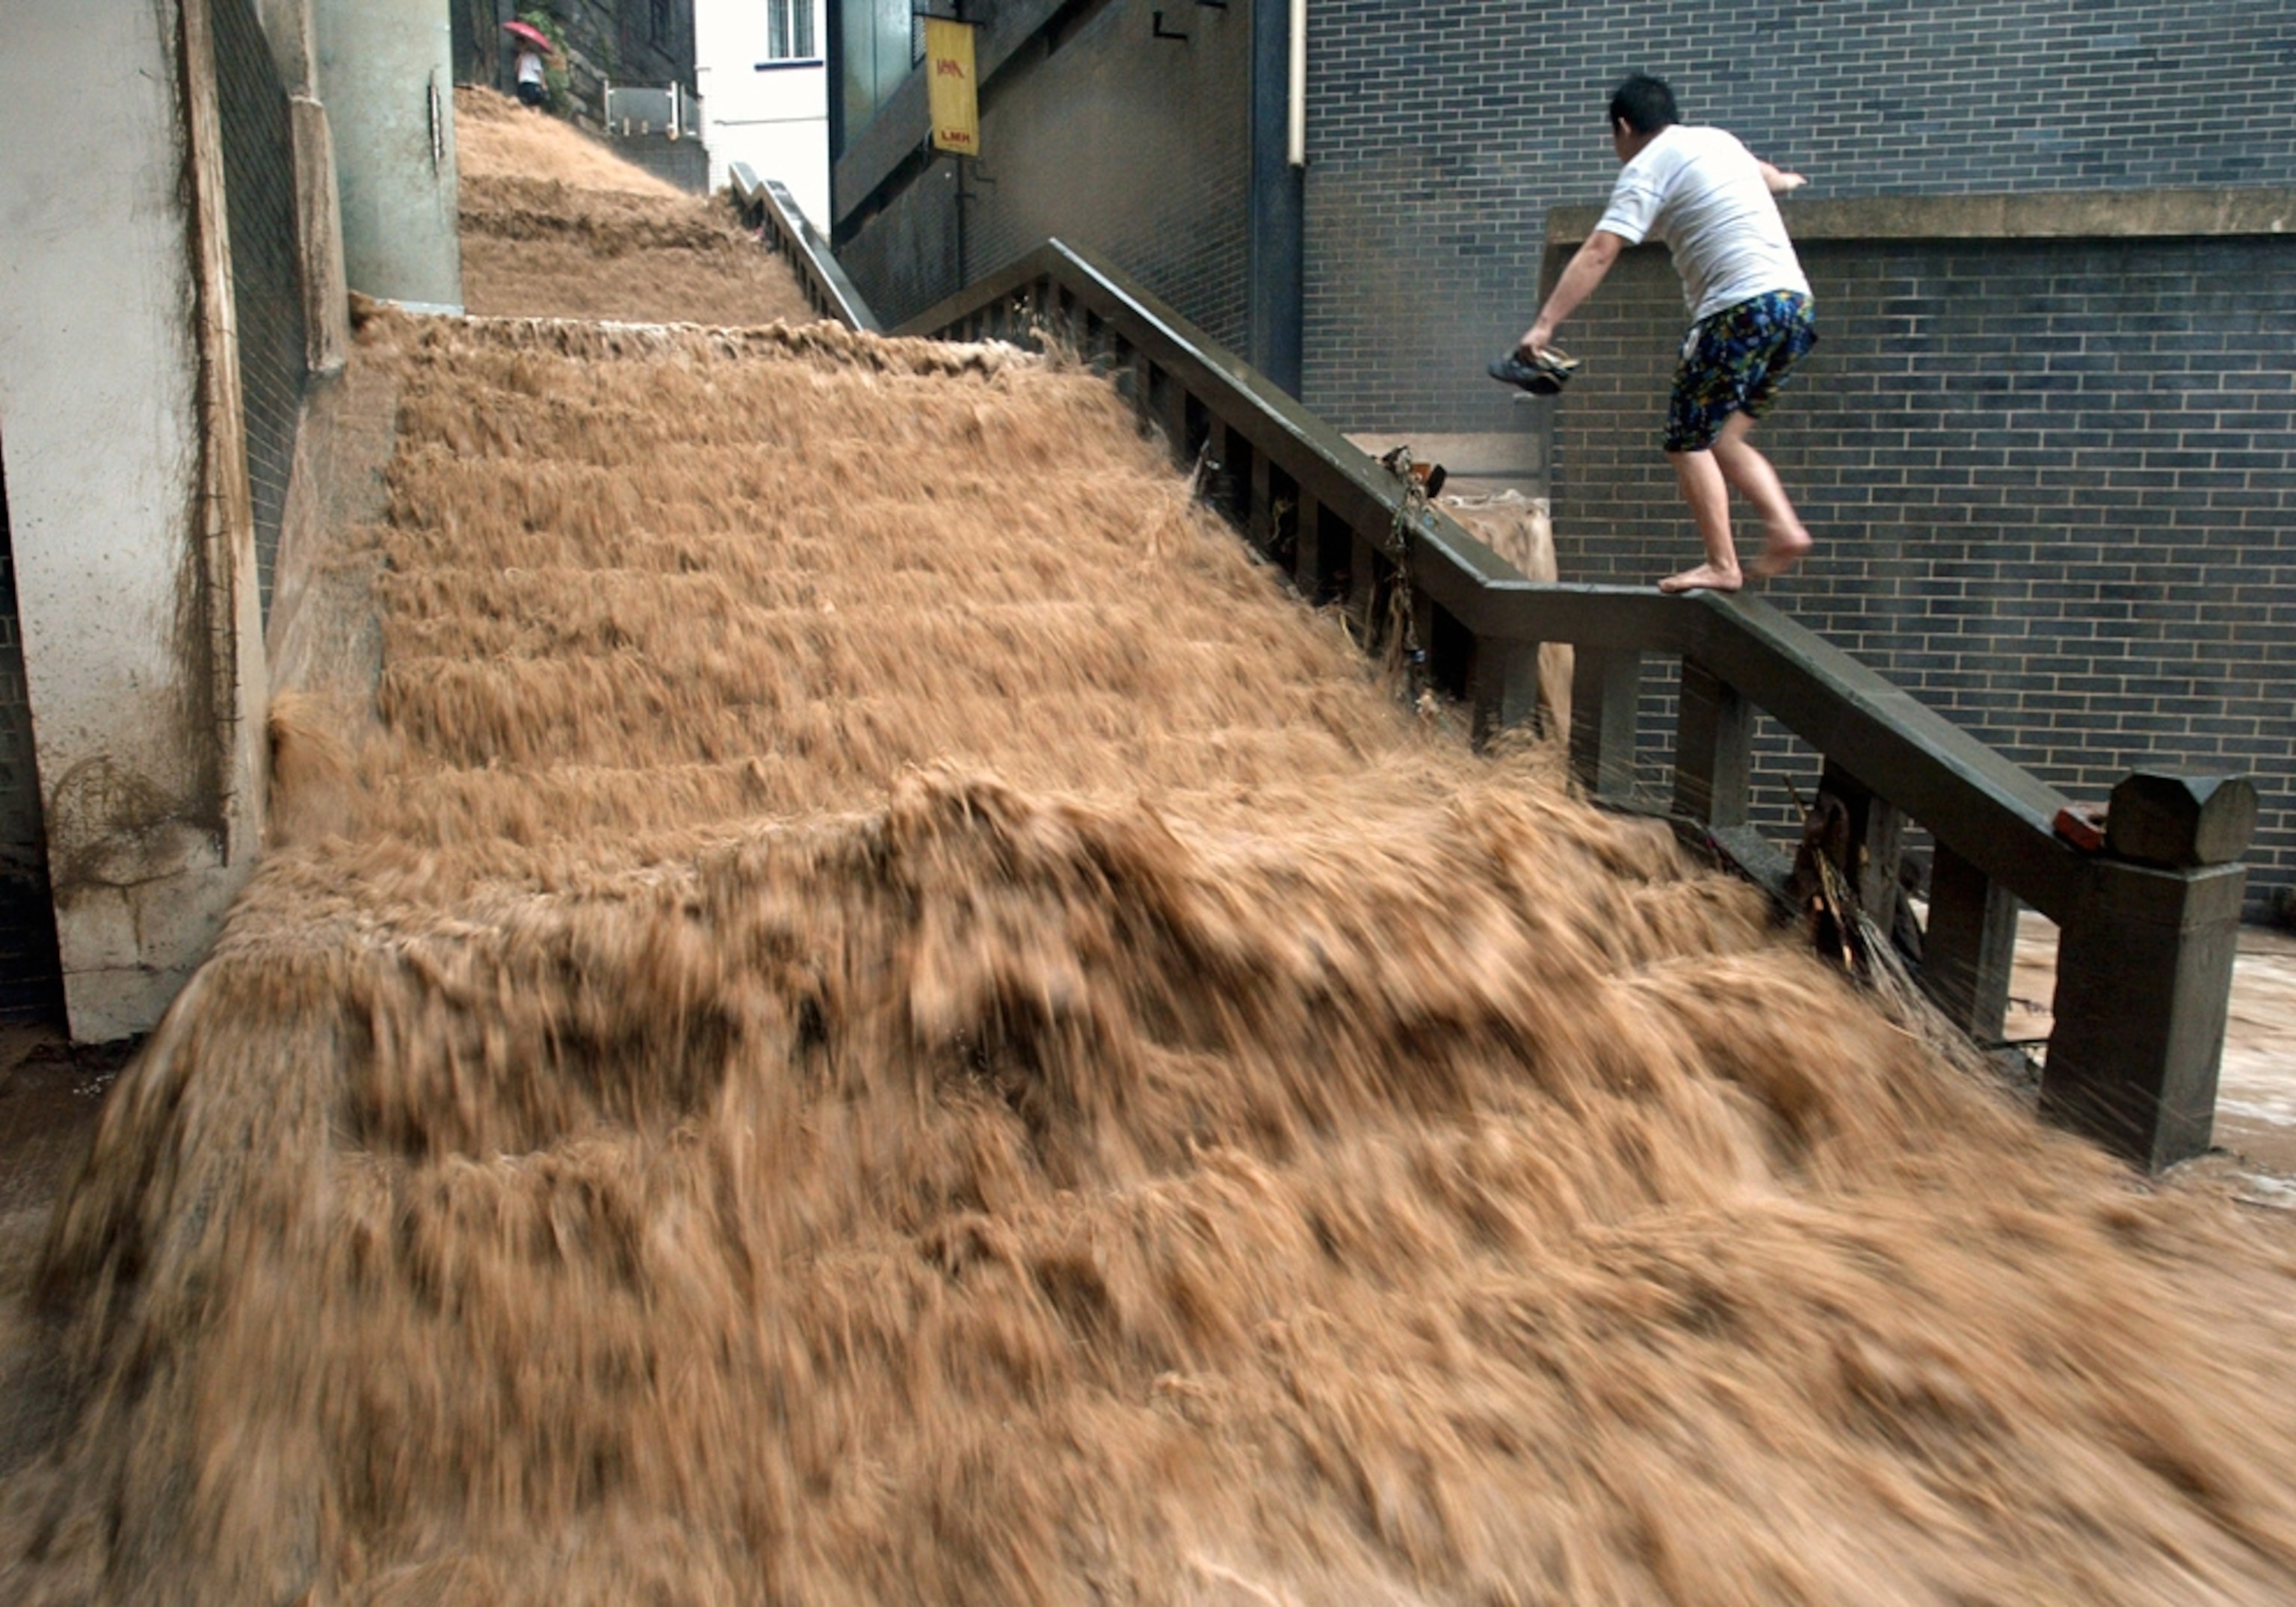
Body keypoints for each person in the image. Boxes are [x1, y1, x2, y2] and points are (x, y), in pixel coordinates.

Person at [1511, 73, 1817, 593]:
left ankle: (1723, 564)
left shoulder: (1646, 166)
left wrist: (1543, 326)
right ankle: (1784, 526)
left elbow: (1600, 251)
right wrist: (1785, 180)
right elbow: (1764, 174)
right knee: (1724, 436)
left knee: (1686, 440)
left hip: (1737, 310)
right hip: (1794, 309)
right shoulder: (1719, 142)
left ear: (1624, 127)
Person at [515, 46, 548, 110]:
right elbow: (516, 71)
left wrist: (543, 84)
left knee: (534, 105)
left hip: (532, 83)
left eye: (521, 45)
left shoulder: (533, 57)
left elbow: (540, 71)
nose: (519, 47)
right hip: (522, 83)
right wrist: (519, 59)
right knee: (523, 104)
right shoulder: (519, 58)